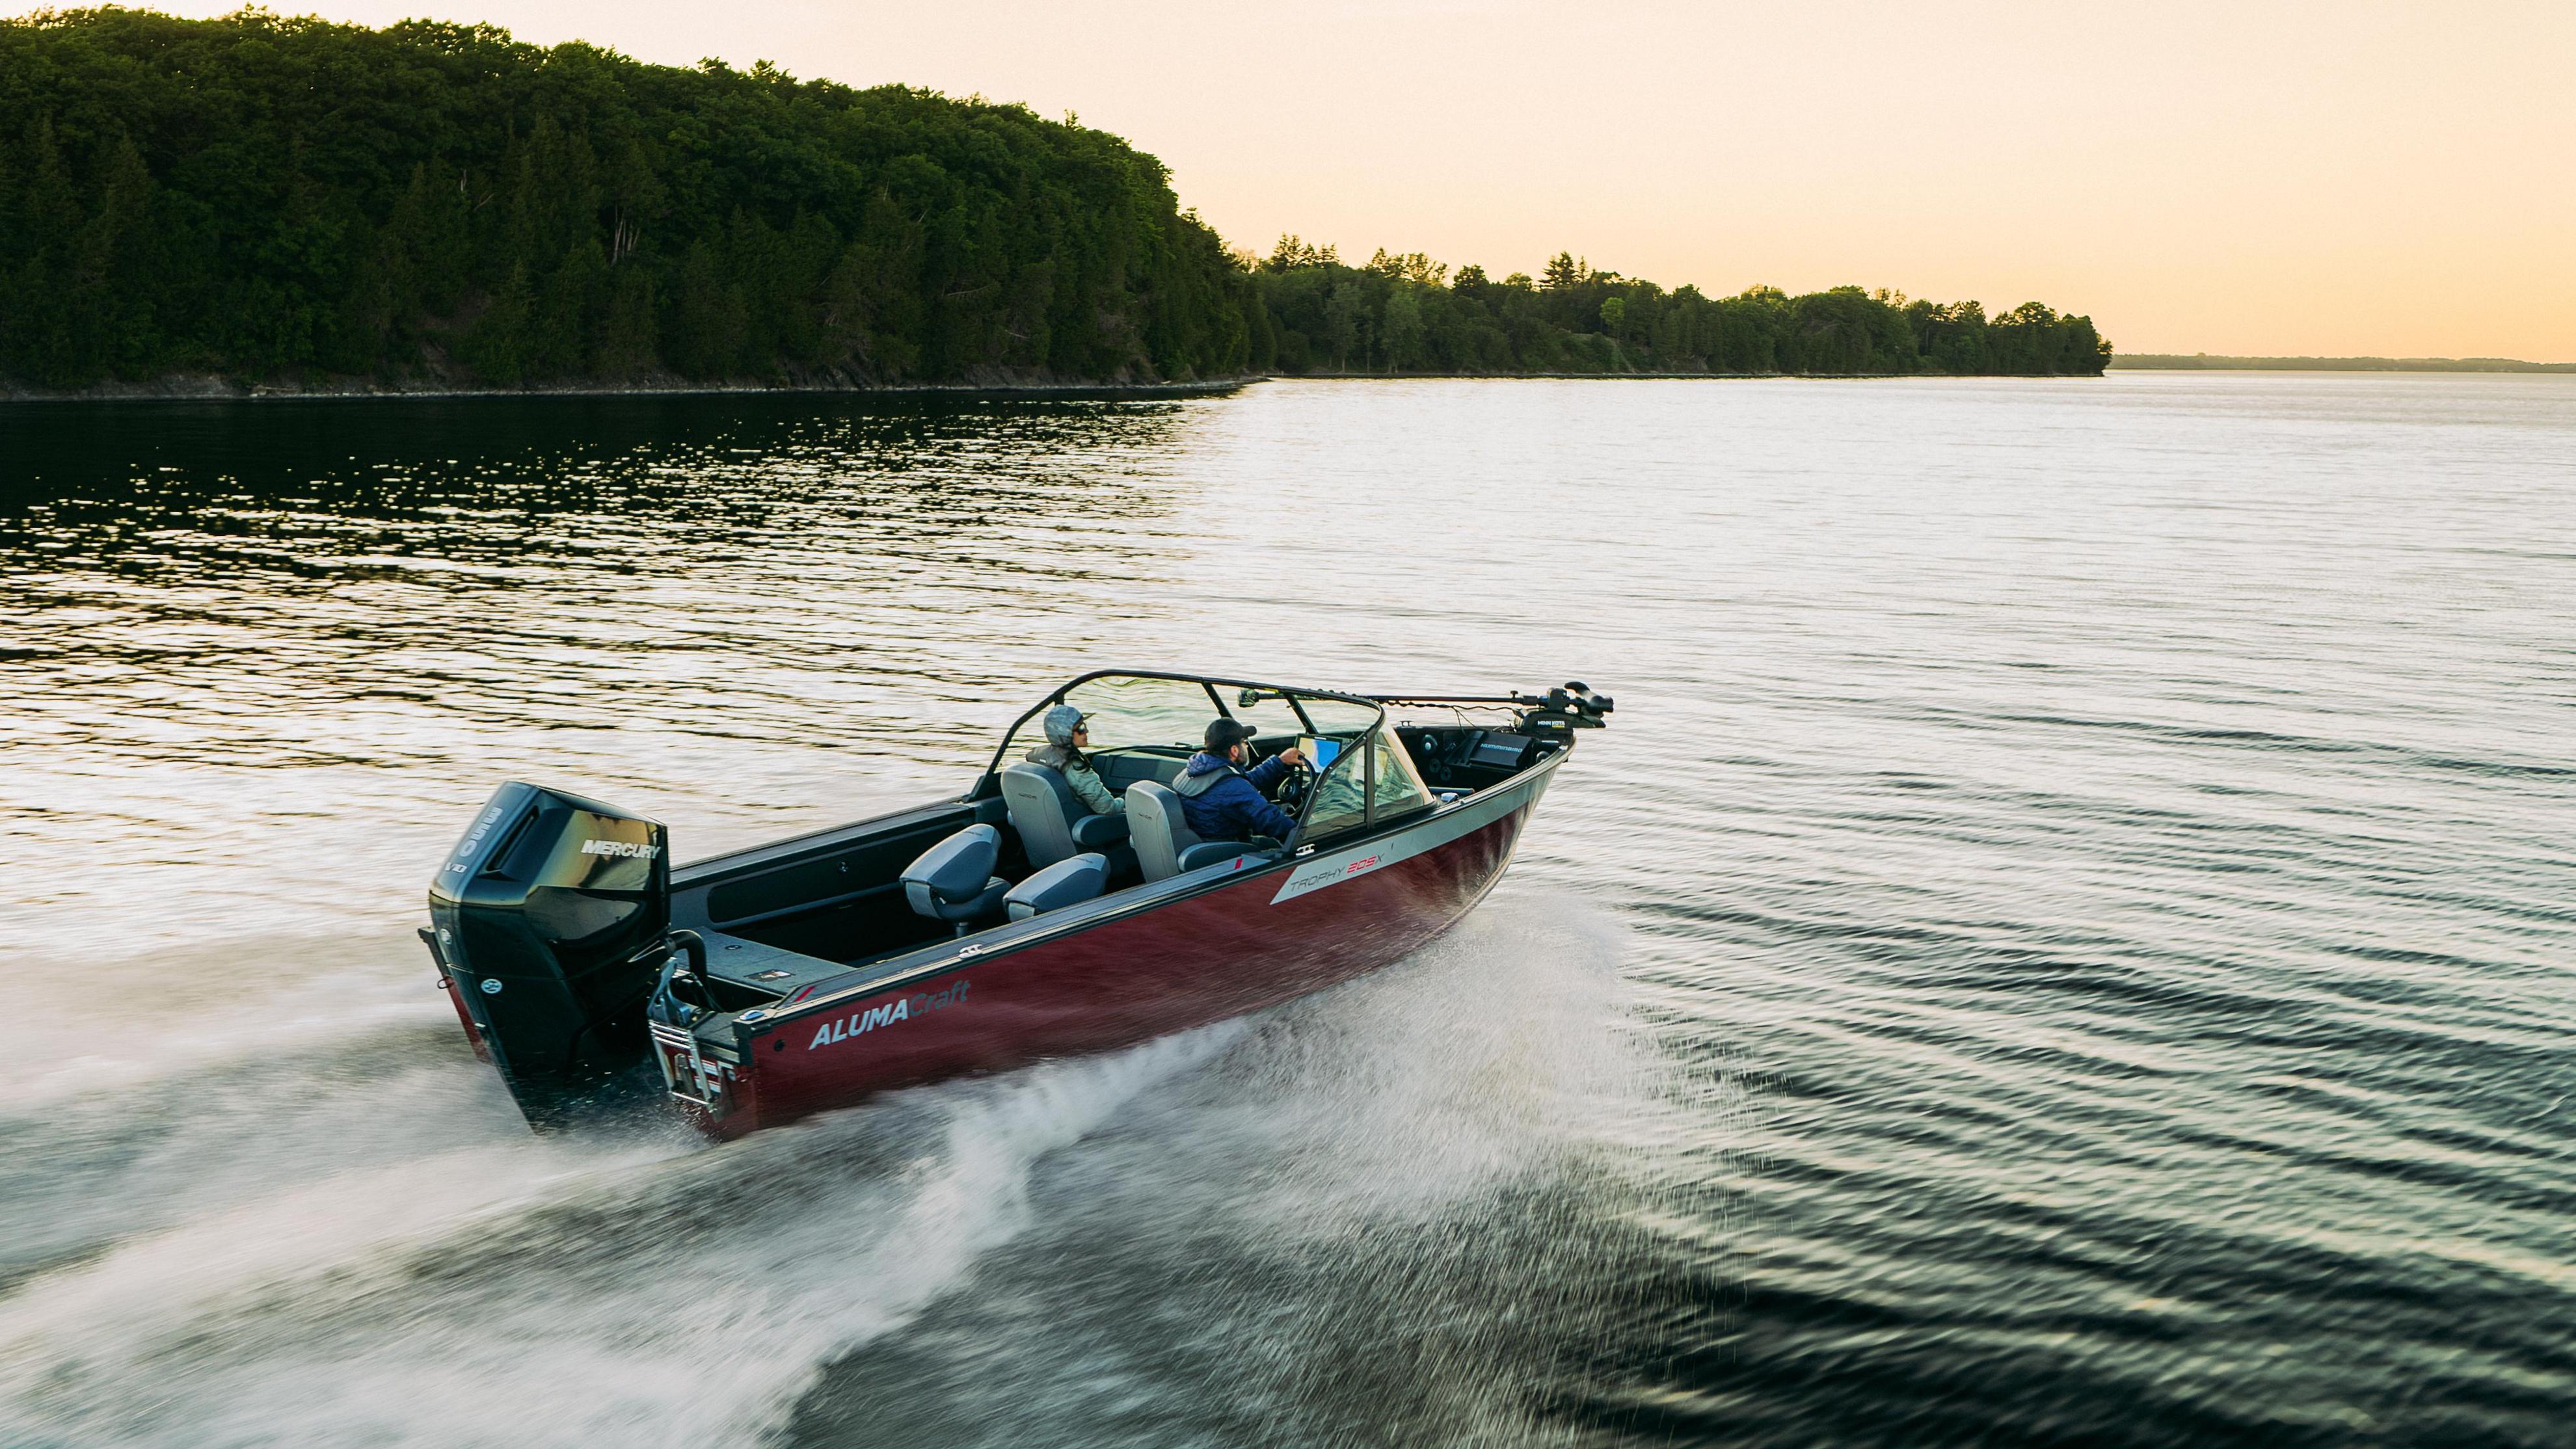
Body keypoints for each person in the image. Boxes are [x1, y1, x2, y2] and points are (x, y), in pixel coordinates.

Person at [1172, 718, 1306, 844]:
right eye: (1245, 743)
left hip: (1202, 841)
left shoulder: (1198, 769)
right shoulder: (1231, 786)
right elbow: (1271, 821)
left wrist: (1280, 761)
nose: (1247, 747)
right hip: (1226, 849)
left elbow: (1244, 783)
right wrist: (1307, 837)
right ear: (1235, 750)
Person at [1024, 705, 1125, 818]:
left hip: (1052, 820)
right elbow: (1108, 809)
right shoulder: (1076, 768)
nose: (1087, 731)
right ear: (1065, 734)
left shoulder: (1036, 756)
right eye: (1080, 728)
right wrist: (1125, 801)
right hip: (1085, 825)